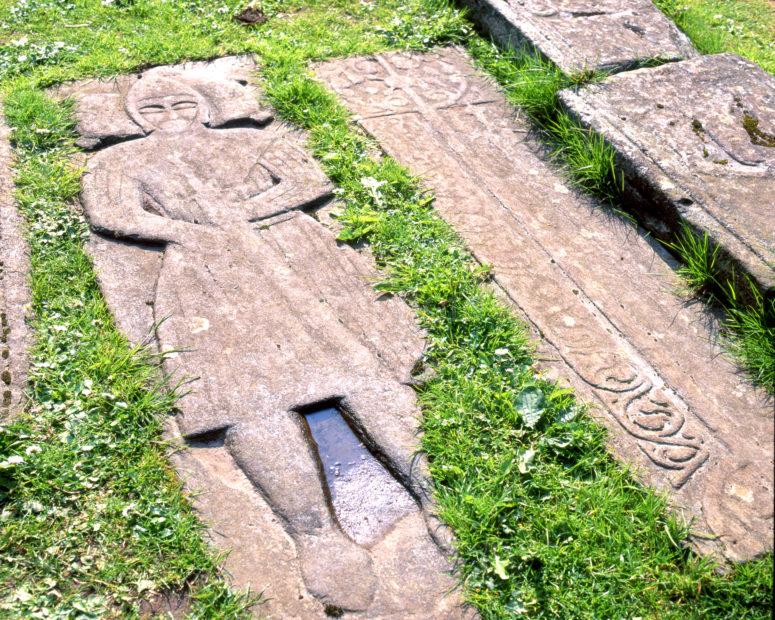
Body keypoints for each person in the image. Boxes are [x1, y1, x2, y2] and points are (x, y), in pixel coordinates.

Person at [81, 71, 430, 610]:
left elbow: (306, 181)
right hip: (204, 273)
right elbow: (111, 213)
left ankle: (436, 498)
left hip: (293, 256)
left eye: (182, 102)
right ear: (134, 117)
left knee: (362, 371)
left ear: (205, 105)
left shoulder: (253, 140)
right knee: (245, 397)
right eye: (152, 108)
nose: (170, 114)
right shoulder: (115, 162)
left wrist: (243, 213)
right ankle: (315, 537)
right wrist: (187, 231)